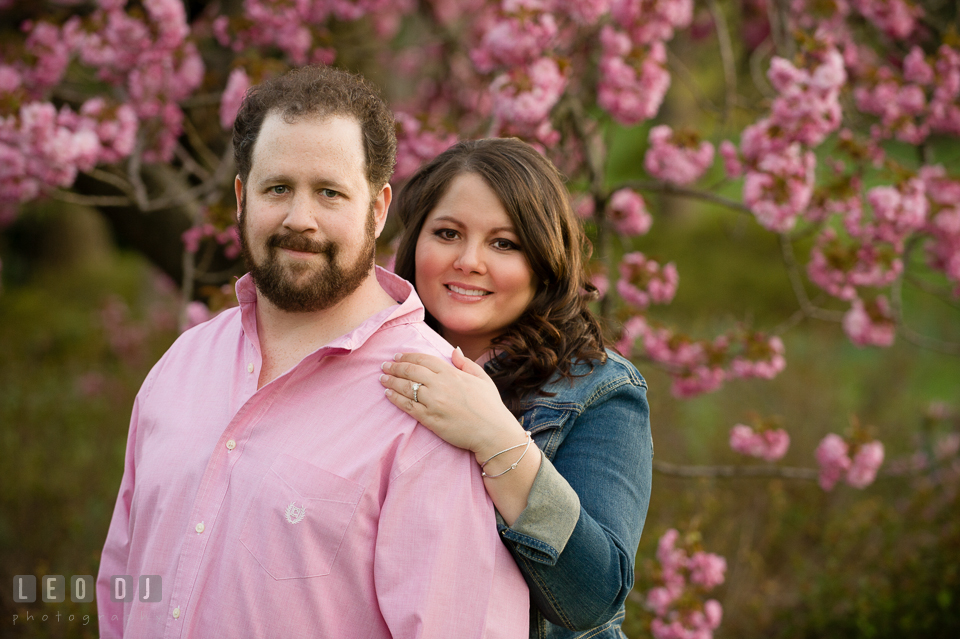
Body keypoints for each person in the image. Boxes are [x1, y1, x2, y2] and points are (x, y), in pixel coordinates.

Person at [96, 67, 528, 639]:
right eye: (278, 189)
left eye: (329, 192)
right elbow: (123, 580)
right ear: (242, 197)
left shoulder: (430, 398)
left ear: (377, 210)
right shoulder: (182, 364)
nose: (301, 219)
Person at [379, 138, 653, 639]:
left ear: (543, 262)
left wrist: (493, 435)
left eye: (504, 243)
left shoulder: (601, 390)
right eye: (447, 233)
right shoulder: (376, 364)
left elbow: (592, 598)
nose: (468, 260)